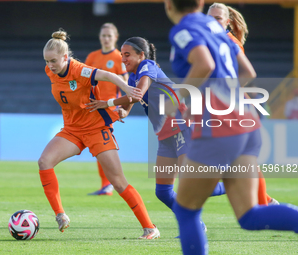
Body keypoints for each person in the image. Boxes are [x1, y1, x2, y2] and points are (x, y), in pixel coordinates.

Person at [164, 0, 298, 254]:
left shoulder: (183, 28)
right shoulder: (216, 29)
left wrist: (180, 98)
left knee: (186, 209)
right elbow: (248, 72)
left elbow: (204, 64)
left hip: (219, 127)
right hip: (246, 120)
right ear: (200, 3)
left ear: (169, 4)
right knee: (249, 215)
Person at [86, 36, 226, 233]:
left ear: (141, 55)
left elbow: (138, 94)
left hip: (182, 127)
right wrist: (123, 111)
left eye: (127, 55)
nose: (123, 59)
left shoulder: (147, 66)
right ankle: (197, 224)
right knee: (163, 192)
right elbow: (130, 103)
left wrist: (107, 103)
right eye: (121, 55)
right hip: (165, 135)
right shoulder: (134, 76)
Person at [40, 29, 160, 239]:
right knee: (44, 162)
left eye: (54, 61)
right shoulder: (50, 71)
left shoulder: (79, 70)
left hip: (96, 129)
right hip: (72, 130)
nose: (50, 65)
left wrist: (126, 88)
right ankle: (60, 215)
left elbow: (107, 75)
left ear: (65, 58)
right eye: (47, 61)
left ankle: (150, 228)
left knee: (118, 181)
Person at [208, 2, 279, 206]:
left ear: (227, 22)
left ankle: (265, 204)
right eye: (209, 18)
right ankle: (266, 203)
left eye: (217, 18)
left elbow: (246, 74)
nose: (212, 22)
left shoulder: (230, 43)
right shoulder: (208, 42)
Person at [85, 23, 129, 196]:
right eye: (103, 35)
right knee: (99, 147)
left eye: (109, 36)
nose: (106, 39)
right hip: (93, 106)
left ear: (115, 38)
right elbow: (85, 79)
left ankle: (110, 184)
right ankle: (107, 184)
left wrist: (122, 107)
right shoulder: (92, 56)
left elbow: (126, 83)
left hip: (109, 107)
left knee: (102, 146)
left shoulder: (119, 57)